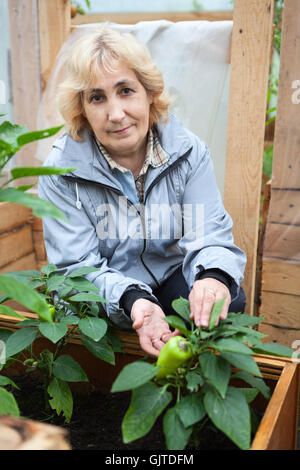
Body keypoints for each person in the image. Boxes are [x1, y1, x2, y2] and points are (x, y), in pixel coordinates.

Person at [39, 26, 246, 357]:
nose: (116, 114)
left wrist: (213, 277)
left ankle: (188, 377)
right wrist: (135, 299)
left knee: (226, 298)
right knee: (92, 327)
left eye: (125, 90)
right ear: (82, 108)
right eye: (97, 97)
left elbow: (208, 233)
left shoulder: (188, 152)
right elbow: (75, 268)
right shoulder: (62, 172)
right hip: (110, 293)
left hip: (170, 275)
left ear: (149, 92)